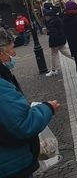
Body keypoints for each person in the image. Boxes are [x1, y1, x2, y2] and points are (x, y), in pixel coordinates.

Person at [0, 28, 61, 178]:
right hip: (11, 165)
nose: (13, 55)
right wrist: (48, 108)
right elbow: (22, 124)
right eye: (11, 49)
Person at [43, 3, 72, 77]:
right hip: (60, 39)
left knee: (55, 54)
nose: (45, 18)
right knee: (64, 52)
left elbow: (53, 32)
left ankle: (54, 70)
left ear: (49, 16)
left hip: (56, 41)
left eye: (46, 16)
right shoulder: (57, 19)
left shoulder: (52, 22)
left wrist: (47, 32)